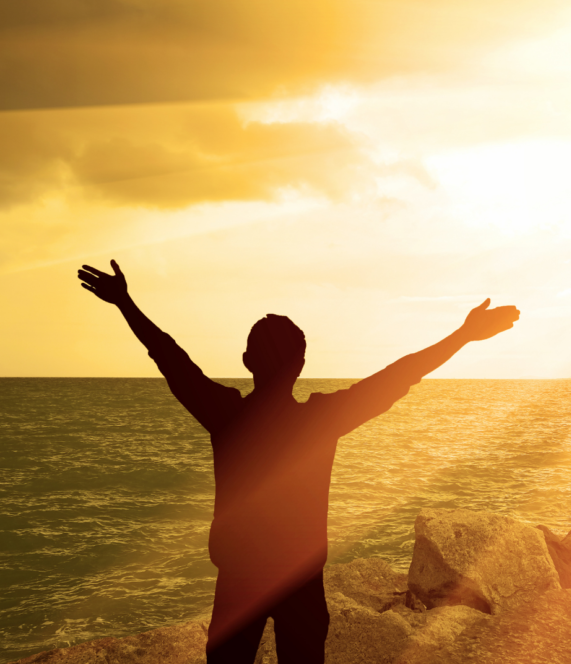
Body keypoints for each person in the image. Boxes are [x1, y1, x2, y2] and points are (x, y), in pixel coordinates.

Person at [77, 259, 520, 664]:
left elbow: (170, 358)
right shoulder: (319, 419)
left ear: (248, 360)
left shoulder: (226, 414)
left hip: (239, 581)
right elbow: (400, 375)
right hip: (301, 581)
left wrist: (125, 303)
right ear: (301, 364)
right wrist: (463, 335)